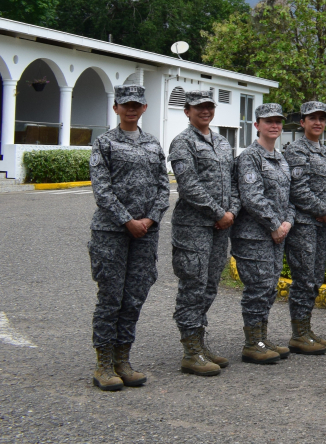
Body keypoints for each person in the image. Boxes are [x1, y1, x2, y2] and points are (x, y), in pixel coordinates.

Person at [87, 80, 170, 391]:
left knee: (134, 296)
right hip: (112, 232)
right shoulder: (104, 144)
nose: (132, 109)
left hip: (145, 233)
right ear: (116, 108)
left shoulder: (152, 144)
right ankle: (103, 363)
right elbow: (102, 190)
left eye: (137, 104)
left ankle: (123, 358)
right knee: (111, 297)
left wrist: (148, 219)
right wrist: (128, 221)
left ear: (144, 108)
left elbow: (164, 188)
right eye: (127, 104)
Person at [169, 89, 238, 376]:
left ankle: (200, 342)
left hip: (220, 228)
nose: (205, 111)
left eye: (209, 107)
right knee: (193, 286)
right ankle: (190, 350)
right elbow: (188, 186)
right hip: (193, 228)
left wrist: (232, 210)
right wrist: (218, 213)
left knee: (210, 285)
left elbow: (233, 182)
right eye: (199, 108)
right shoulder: (182, 143)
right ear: (187, 111)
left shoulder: (222, 142)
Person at [231, 103, 294, 365]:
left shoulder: (280, 158)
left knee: (269, 287)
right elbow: (252, 197)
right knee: (257, 287)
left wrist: (287, 223)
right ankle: (252, 343)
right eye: (268, 121)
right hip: (254, 235)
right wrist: (274, 225)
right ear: (257, 125)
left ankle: (262, 338)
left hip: (277, 233)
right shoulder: (250, 156)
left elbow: (289, 197)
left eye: (278, 121)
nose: (275, 125)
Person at [282, 101, 326, 355]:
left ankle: (306, 328)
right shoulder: (295, 151)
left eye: (322, 118)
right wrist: (323, 210)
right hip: (304, 224)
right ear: (302, 122)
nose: (318, 122)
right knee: (303, 278)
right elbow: (298, 190)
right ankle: (298, 333)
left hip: (322, 225)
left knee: (315, 278)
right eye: (312, 118)